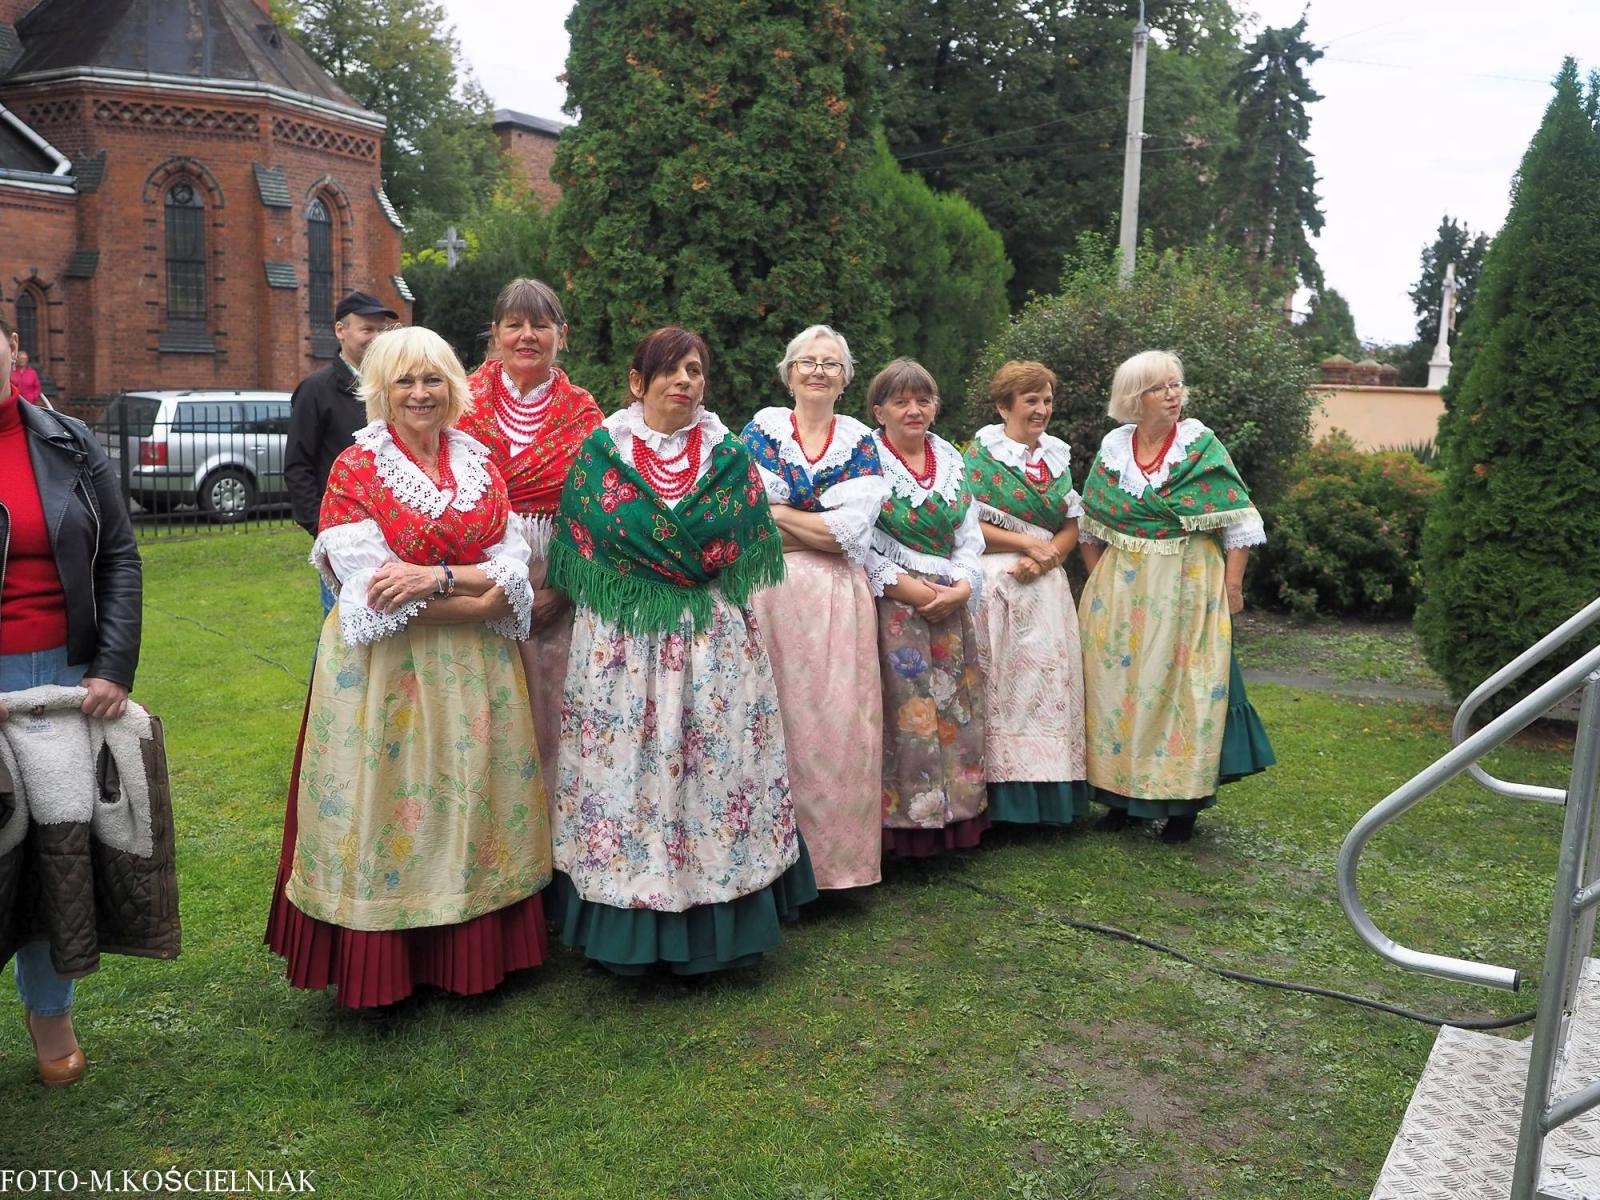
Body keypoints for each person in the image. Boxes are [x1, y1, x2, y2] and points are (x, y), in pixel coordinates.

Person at [265, 326, 552, 1008]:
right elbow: (375, 595)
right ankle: (394, 960)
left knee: (474, 801)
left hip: (476, 673)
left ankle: (474, 947)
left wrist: (435, 577)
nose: (421, 394)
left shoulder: (479, 462)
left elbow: (514, 569)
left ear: (453, 388)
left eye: (433, 380)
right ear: (380, 390)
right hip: (388, 677)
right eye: (405, 381)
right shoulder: (357, 469)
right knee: (395, 807)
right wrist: (477, 593)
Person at [546, 326, 817, 974]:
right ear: (637, 382)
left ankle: (721, 925)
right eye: (669, 369)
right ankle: (627, 925)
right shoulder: (601, 453)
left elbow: (746, 536)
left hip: (711, 639)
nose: (684, 381)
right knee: (628, 776)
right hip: (624, 642)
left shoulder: (727, 455)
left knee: (715, 774)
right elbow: (585, 536)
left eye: (694, 370)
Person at [0, 313, 145, 1084]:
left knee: (53, 861)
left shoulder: (70, 442)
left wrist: (112, 665)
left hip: (62, 678)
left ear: (13, 349)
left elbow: (118, 555)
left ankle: (49, 1012)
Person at [1076, 350, 1276, 843]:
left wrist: (1232, 588)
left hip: (1188, 583)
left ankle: (1182, 805)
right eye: (1160, 387)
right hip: (1123, 591)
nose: (1173, 394)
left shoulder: (1199, 446)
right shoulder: (1114, 450)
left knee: (1183, 690)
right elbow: (1090, 525)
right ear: (1134, 398)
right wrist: (1103, 583)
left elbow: (1240, 521)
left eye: (1176, 384)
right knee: (1118, 690)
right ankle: (1118, 797)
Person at [742, 325, 887, 892]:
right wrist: (816, 526)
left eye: (831, 363)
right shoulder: (761, 431)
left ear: (846, 379)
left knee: (836, 726)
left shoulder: (860, 442)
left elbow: (852, 533)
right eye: (808, 361)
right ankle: (770, 870)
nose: (819, 371)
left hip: (836, 603)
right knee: (771, 718)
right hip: (768, 598)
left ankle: (834, 868)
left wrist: (779, 514)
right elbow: (745, 520)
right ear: (789, 374)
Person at [457, 279, 602, 778]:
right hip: (473, 579)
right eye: (514, 324)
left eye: (540, 325)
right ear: (495, 333)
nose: (527, 335)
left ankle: (551, 822)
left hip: (554, 583)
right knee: (481, 712)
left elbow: (599, 509)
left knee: (553, 710)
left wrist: (562, 589)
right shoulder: (460, 402)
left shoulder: (583, 412)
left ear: (562, 335)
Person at [865, 358, 990, 857]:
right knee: (904, 711)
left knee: (953, 707)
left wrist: (962, 586)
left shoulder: (952, 460)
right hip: (894, 608)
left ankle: (955, 820)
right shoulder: (865, 460)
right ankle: (902, 829)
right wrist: (908, 589)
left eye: (923, 400)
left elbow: (969, 535)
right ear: (879, 411)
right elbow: (856, 538)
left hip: (949, 605)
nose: (913, 410)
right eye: (901, 401)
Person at [964, 361, 1090, 827]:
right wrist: (1027, 545)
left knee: (1045, 687)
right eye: (1031, 400)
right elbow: (965, 524)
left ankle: (1049, 799)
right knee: (1001, 687)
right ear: (1004, 406)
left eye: (1047, 400)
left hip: (1046, 588)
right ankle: (998, 800)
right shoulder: (979, 457)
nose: (1041, 409)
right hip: (999, 584)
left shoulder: (1055, 458)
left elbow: (1072, 525)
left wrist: (1047, 557)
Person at [284, 290, 398, 615]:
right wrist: (323, 530)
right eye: (367, 329)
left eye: (381, 330)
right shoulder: (316, 390)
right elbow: (298, 467)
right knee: (343, 627)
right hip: (344, 539)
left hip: (393, 535)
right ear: (340, 331)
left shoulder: (394, 386)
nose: (376, 338)